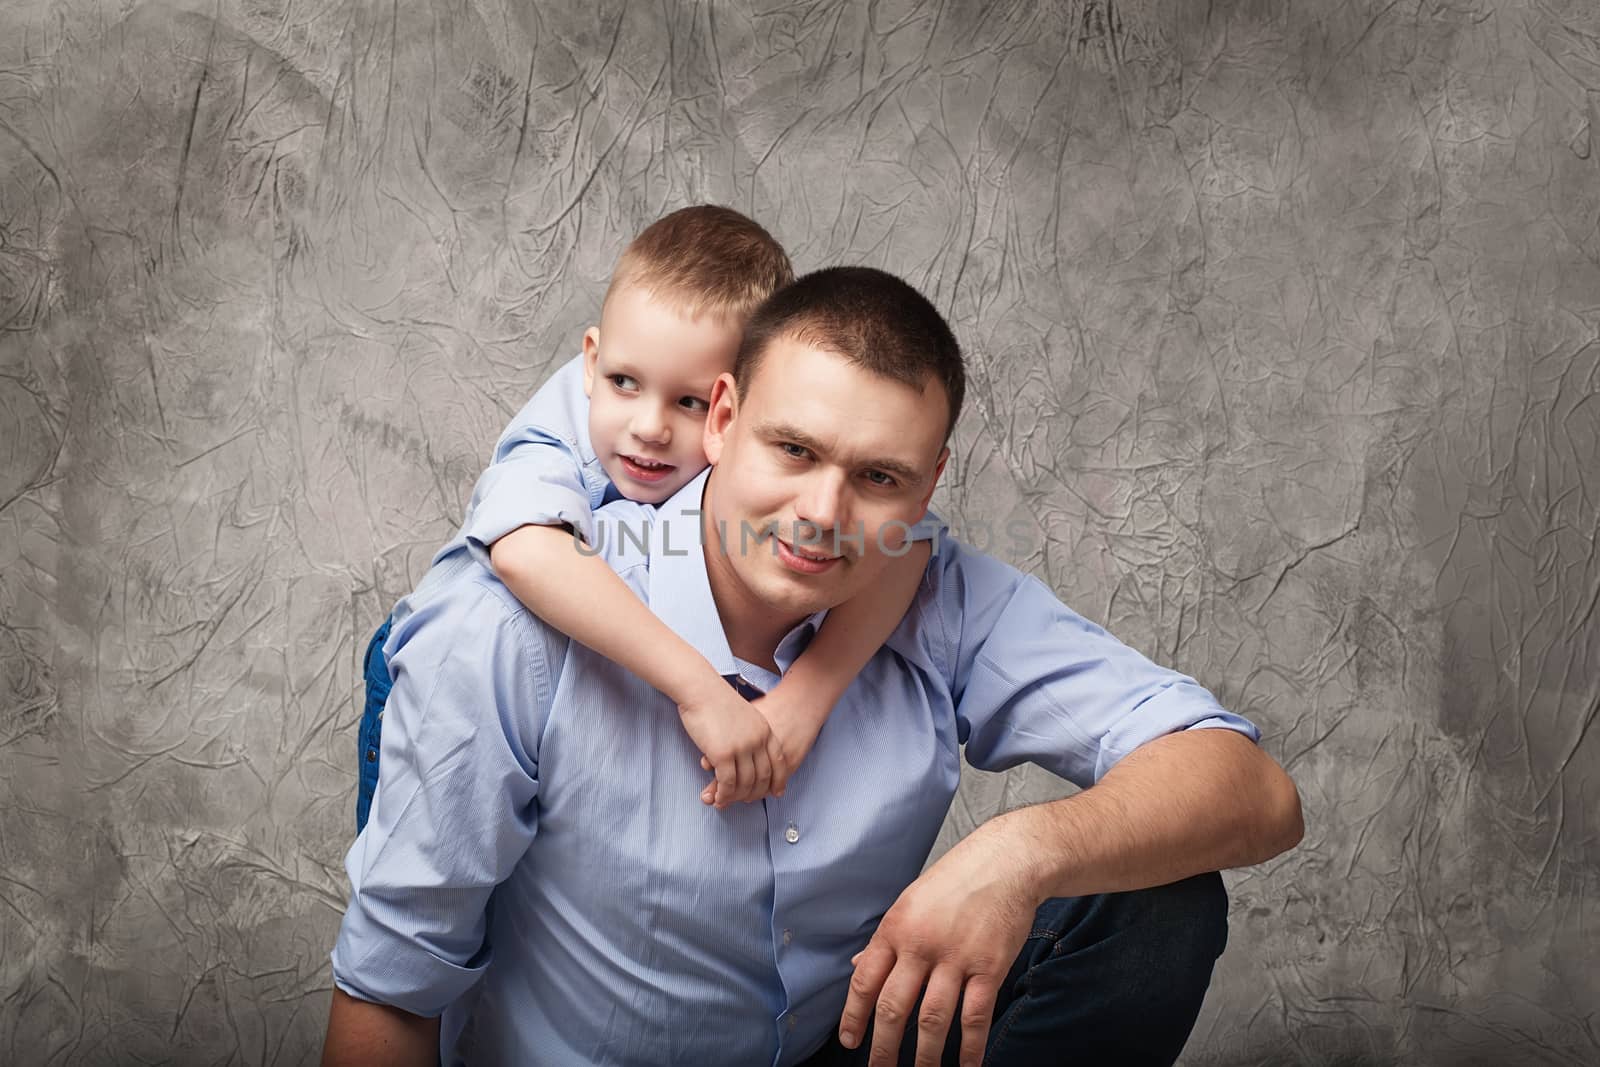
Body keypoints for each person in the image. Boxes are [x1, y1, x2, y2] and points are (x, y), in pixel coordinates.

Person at [323, 267, 1305, 1066]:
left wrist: (1015, 853)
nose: (822, 516)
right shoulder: (515, 622)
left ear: (931, 480)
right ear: (719, 419)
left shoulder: (939, 592)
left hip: (826, 1040)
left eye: (879, 476)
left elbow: (1251, 790)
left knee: (1158, 899)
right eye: (791, 448)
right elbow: (389, 990)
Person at [355, 206, 937, 830]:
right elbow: (524, 552)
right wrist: (700, 690)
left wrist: (806, 698)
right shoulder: (564, 428)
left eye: (688, 402)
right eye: (625, 382)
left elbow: (910, 544)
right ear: (592, 361)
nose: (649, 427)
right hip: (444, 677)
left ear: (734, 405)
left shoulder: (775, 449)